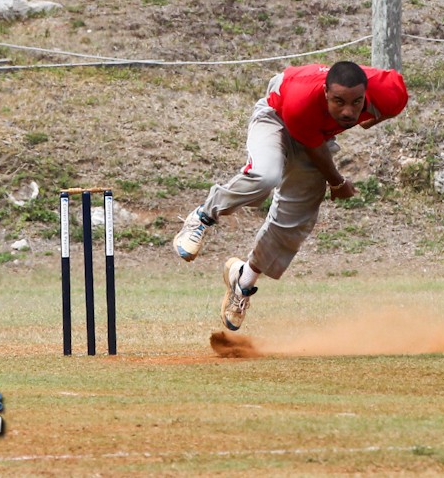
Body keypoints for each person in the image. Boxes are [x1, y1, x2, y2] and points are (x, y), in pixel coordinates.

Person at [174, 61, 408, 331]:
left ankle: (243, 281)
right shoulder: (302, 102)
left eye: (356, 102)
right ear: (325, 93)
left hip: (315, 131)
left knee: (294, 219)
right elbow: (316, 150)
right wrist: (338, 182)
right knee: (265, 175)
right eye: (338, 101)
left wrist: (370, 118)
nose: (348, 111)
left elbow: (393, 103)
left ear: (366, 93)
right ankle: (202, 217)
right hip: (277, 116)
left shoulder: (390, 92)